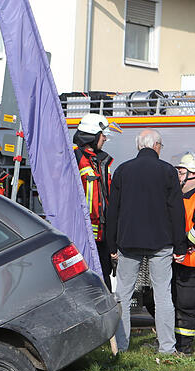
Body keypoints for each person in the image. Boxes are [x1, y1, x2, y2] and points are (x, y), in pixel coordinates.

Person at [105, 128, 186, 354]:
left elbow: (113, 211)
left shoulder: (123, 170)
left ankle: (120, 346)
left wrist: (112, 245)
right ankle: (167, 347)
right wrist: (180, 245)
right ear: (157, 146)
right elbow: (176, 211)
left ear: (139, 146)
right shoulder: (167, 171)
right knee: (163, 295)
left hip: (128, 242)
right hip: (161, 242)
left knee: (123, 295)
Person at [73, 113, 121, 290]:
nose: (105, 138)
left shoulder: (101, 161)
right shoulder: (75, 159)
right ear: (92, 136)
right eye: (103, 135)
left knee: (104, 277)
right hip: (83, 235)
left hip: (102, 235)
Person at [173, 152, 195, 355]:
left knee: (187, 304)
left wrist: (183, 244)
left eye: (182, 172)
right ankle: (176, 342)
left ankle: (184, 347)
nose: (178, 175)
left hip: (194, 259)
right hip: (180, 257)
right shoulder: (181, 195)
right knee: (177, 301)